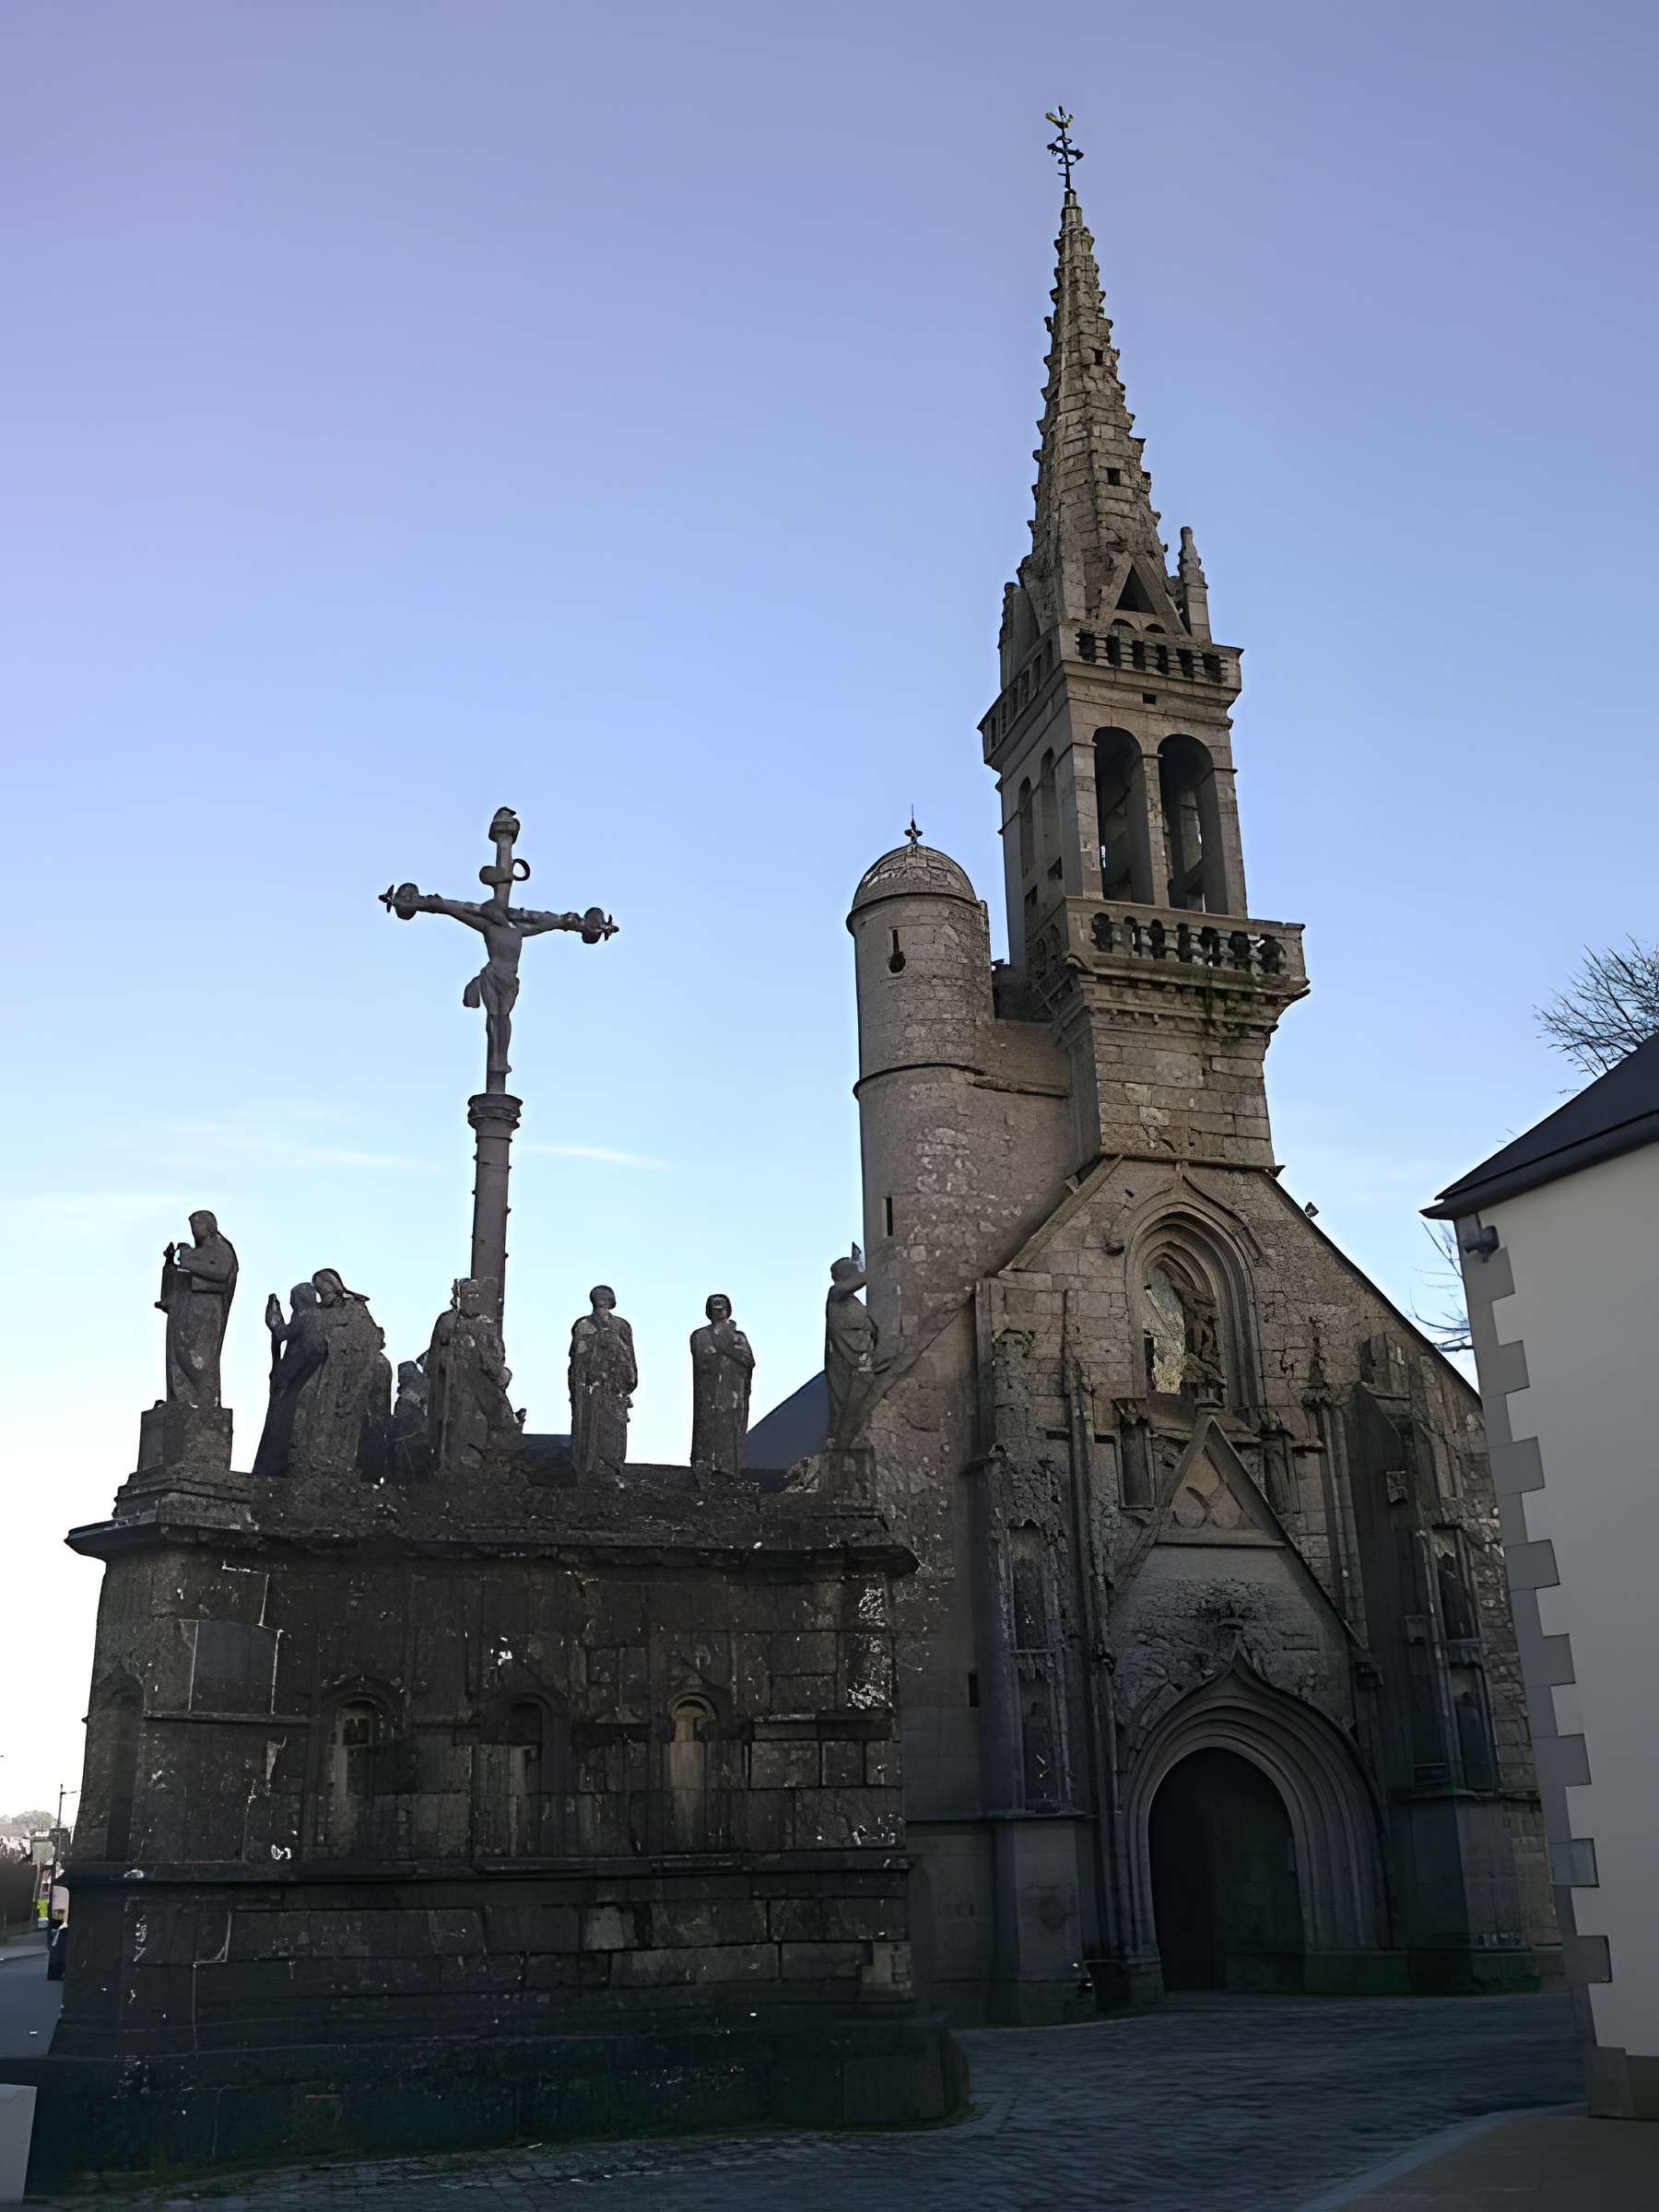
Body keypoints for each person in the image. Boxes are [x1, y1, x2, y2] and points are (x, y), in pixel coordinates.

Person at [157, 1210, 238, 1408]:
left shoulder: (220, 1247)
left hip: (205, 1312)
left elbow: (222, 1273)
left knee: (200, 1358)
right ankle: (181, 1398)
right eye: (192, 1226)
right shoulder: (197, 1251)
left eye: (198, 1225)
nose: (194, 1230)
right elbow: (178, 1279)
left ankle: (203, 1399)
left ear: (210, 1226)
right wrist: (171, 1263)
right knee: (178, 1353)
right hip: (184, 1311)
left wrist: (188, 1260)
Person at [570, 1286, 637, 1479]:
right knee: (589, 1428)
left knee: (614, 1427)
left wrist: (627, 1381)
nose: (603, 1299)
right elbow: (577, 1359)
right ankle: (591, 1469)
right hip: (589, 1386)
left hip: (615, 1387)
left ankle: (611, 1467)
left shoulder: (622, 1325)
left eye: (606, 1296)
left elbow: (629, 1356)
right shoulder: (583, 1325)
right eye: (599, 1296)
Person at [689, 1294, 755, 1478]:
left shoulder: (738, 1337)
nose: (719, 1310)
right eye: (715, 1306)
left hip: (733, 1388)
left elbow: (748, 1360)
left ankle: (729, 1467)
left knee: (731, 1426)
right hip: (710, 1390)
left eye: (722, 1306)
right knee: (708, 1424)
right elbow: (702, 1360)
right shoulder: (700, 1335)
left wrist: (725, 1347)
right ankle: (706, 1464)